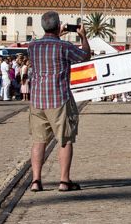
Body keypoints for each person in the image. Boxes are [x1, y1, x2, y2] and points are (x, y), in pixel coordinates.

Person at [27, 13, 91, 191]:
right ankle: (64, 181)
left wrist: (55, 35)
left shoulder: (32, 46)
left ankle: (36, 181)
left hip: (37, 99)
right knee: (65, 140)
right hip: (59, 98)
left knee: (39, 141)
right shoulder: (64, 46)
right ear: (58, 26)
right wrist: (83, 36)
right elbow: (85, 56)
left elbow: (46, 46)